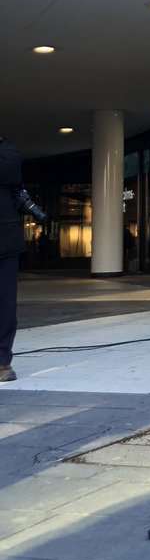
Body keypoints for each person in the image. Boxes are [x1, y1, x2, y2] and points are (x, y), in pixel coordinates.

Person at [0, 136, 26, 383]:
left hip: (4, 242)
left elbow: (11, 170)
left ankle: (1, 362)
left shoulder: (6, 149)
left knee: (4, 304)